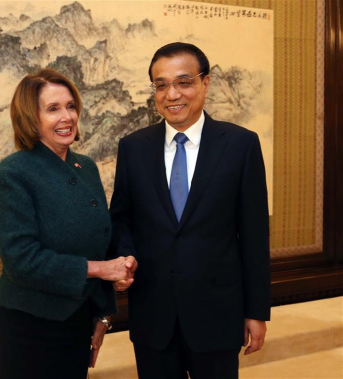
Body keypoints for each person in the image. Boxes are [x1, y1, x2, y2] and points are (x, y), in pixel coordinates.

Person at [110, 42, 271, 378]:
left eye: (184, 82)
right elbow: (122, 216)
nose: (172, 94)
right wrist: (125, 256)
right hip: (153, 314)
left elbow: (255, 236)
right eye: (161, 84)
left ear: (205, 83)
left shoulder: (241, 145)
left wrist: (257, 312)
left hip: (218, 314)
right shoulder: (133, 148)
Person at [0, 68, 133, 379]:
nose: (66, 117)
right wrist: (101, 269)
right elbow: (21, 260)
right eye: (53, 109)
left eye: (70, 106)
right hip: (31, 326)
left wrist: (104, 314)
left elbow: (100, 240)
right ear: (30, 118)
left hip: (78, 319)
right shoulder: (14, 172)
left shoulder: (86, 167)